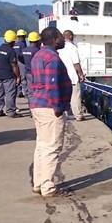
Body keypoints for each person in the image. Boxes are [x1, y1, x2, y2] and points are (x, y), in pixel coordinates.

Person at [29, 27, 72, 197]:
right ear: (54, 39)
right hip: (49, 107)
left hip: (37, 104)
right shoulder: (52, 58)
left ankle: (38, 183)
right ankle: (48, 187)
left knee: (42, 145)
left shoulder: (38, 56)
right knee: (52, 147)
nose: (63, 39)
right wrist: (58, 108)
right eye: (61, 36)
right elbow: (52, 85)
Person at [0, 30, 21, 118]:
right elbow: (14, 65)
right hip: (9, 76)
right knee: (10, 93)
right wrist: (18, 76)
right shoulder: (11, 51)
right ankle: (11, 112)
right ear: (13, 41)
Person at [57, 30, 86, 121]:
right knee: (75, 96)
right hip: (72, 76)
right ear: (70, 36)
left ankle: (63, 114)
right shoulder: (72, 47)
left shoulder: (58, 47)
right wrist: (81, 74)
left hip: (61, 75)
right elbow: (76, 63)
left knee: (61, 96)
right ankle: (78, 115)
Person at [19, 31, 41, 103]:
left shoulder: (24, 50)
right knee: (38, 90)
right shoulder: (37, 51)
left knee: (30, 91)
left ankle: (31, 106)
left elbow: (20, 58)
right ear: (37, 41)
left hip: (28, 72)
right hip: (36, 73)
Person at [14, 29, 29, 98]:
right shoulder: (22, 43)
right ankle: (26, 93)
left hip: (15, 62)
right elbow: (24, 54)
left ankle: (18, 91)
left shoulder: (15, 43)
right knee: (23, 78)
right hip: (22, 62)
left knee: (17, 77)